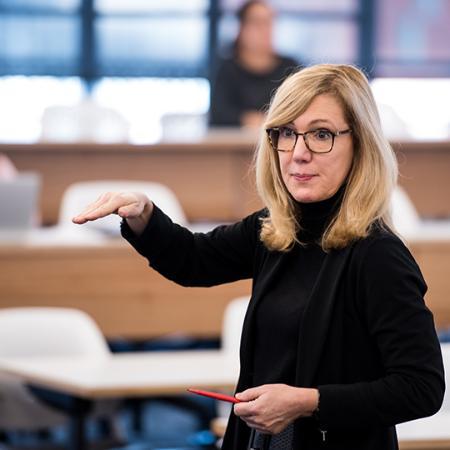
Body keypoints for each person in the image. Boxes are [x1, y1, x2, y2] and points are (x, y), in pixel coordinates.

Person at [73, 64, 444, 450]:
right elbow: (193, 260)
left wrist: (307, 402)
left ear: (361, 144)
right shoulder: (275, 229)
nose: (298, 153)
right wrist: (145, 214)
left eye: (321, 135)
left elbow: (421, 387)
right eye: (286, 133)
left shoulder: (378, 255)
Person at [209, 0, 298, 128]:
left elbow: (301, 108)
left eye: (269, 22)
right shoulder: (227, 69)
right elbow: (218, 114)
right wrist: (248, 120)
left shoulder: (290, 67)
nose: (265, 30)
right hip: (234, 145)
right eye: (257, 23)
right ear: (241, 27)